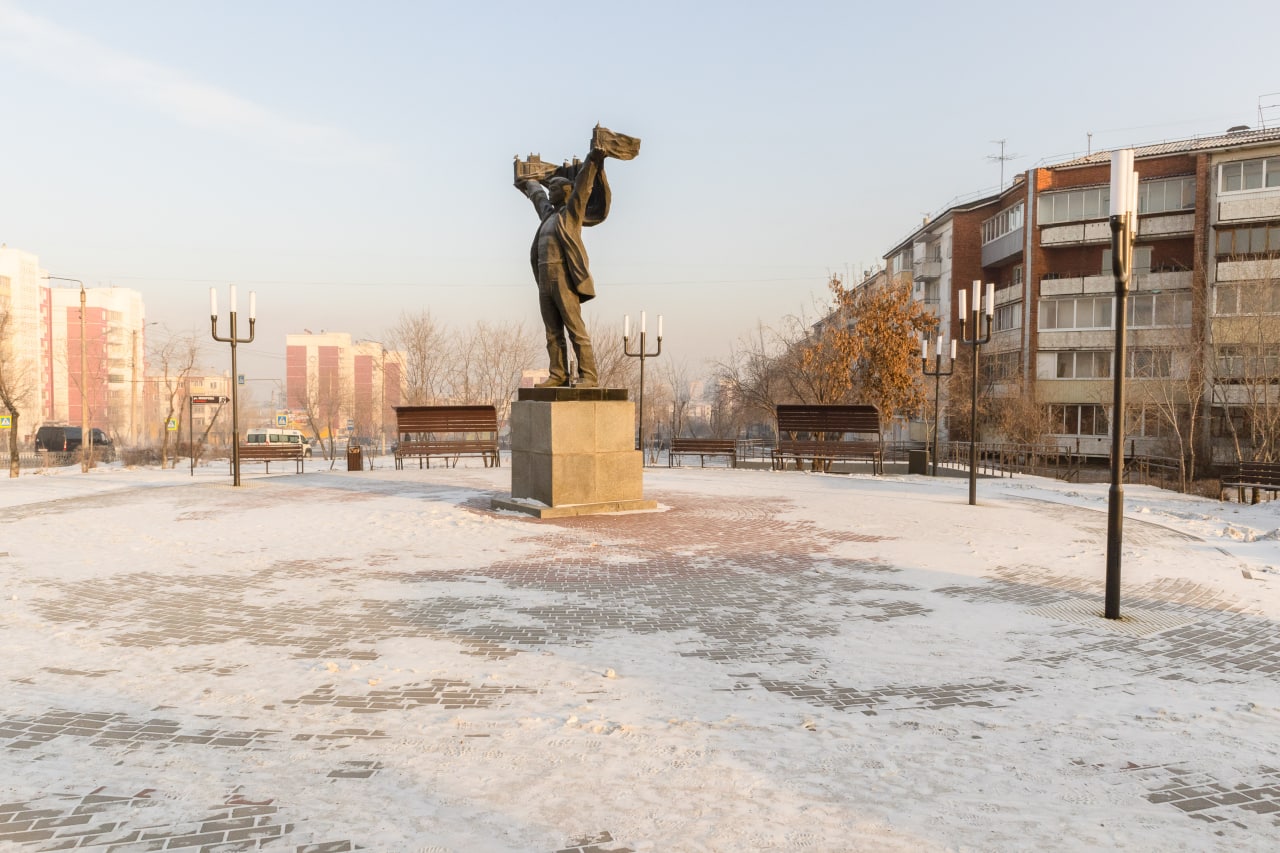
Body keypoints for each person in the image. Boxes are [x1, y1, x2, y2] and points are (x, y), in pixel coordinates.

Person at [516, 145, 607, 388]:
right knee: (552, 331)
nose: (550, 191)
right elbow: (538, 198)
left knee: (574, 327)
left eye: (554, 188)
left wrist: (594, 158)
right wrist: (529, 182)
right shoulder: (548, 217)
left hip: (564, 278)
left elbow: (583, 187)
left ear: (566, 193)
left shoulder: (571, 215)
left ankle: (588, 375)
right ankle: (559, 374)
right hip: (545, 278)